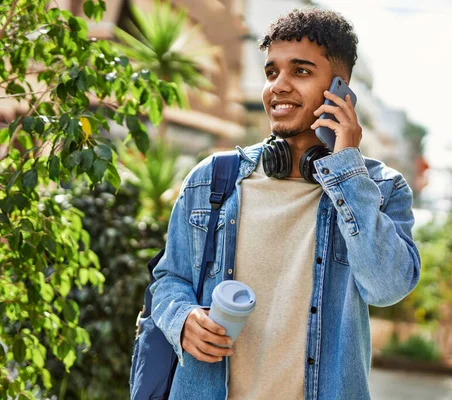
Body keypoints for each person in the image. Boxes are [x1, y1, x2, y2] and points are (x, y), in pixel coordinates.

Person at [151, 7, 421, 399]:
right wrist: (182, 318)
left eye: (301, 71)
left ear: (341, 90)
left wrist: (345, 168)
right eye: (271, 72)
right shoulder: (211, 179)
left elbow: (387, 287)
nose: (278, 85)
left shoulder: (381, 189)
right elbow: (168, 279)